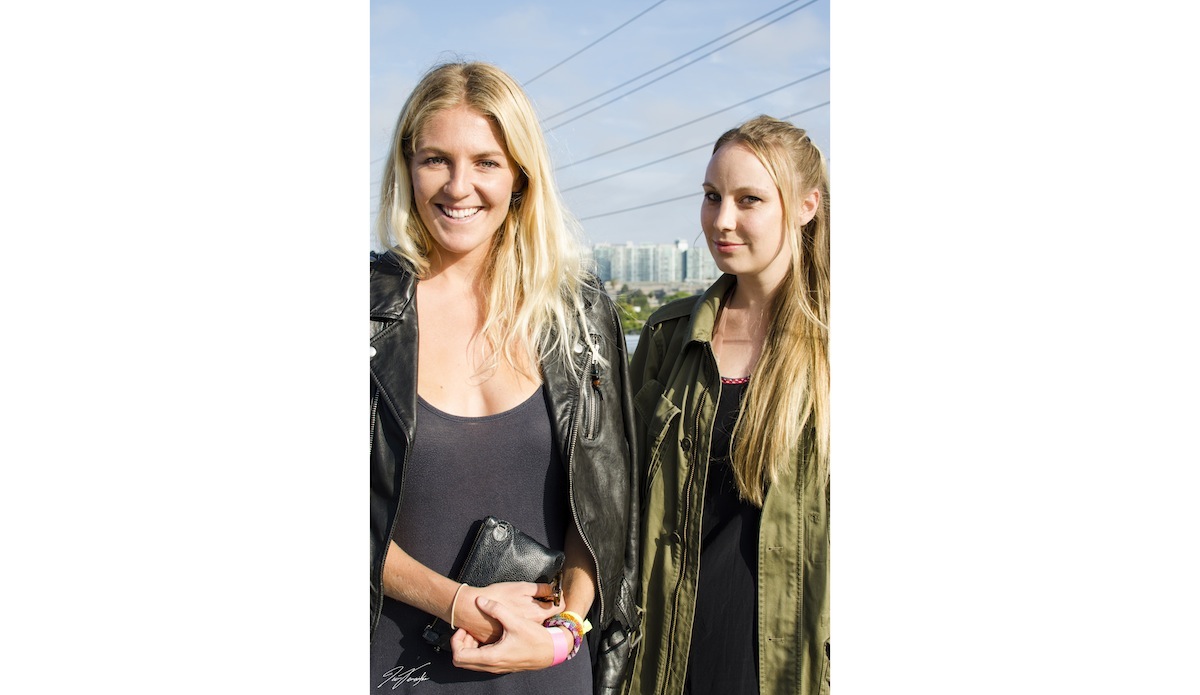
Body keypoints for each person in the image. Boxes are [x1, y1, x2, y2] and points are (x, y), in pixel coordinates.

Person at [369, 61, 640, 694]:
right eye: (436, 159)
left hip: (548, 670)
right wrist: (460, 602)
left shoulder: (580, 312)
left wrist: (565, 629)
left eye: (486, 162)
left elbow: (604, 504)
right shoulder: (364, 313)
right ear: (407, 169)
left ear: (520, 175)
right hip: (398, 670)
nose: (459, 186)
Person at [625, 115, 831, 695]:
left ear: (807, 206)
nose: (722, 221)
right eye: (712, 197)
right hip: (669, 650)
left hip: (791, 657)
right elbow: (620, 498)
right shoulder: (668, 338)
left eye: (749, 200)